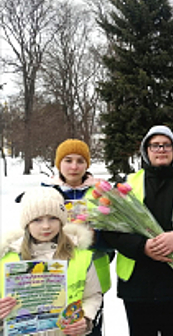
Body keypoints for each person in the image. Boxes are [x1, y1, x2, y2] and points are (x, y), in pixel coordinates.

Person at [102, 125, 173, 336]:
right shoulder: (126, 185)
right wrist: (142, 247)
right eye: (155, 145)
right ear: (146, 151)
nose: (161, 150)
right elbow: (111, 230)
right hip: (138, 282)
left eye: (166, 145)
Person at [0, 187, 102, 336]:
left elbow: (92, 296)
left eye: (53, 218)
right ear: (26, 223)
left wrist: (85, 319)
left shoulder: (80, 256)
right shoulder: (6, 258)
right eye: (37, 219)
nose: (46, 226)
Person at [42, 138, 112, 336]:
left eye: (80, 161)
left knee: (88, 328)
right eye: (68, 160)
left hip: (93, 277)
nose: (74, 166)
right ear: (59, 164)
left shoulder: (100, 193)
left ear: (87, 165)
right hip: (53, 275)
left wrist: (96, 237)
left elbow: (116, 235)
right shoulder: (46, 193)